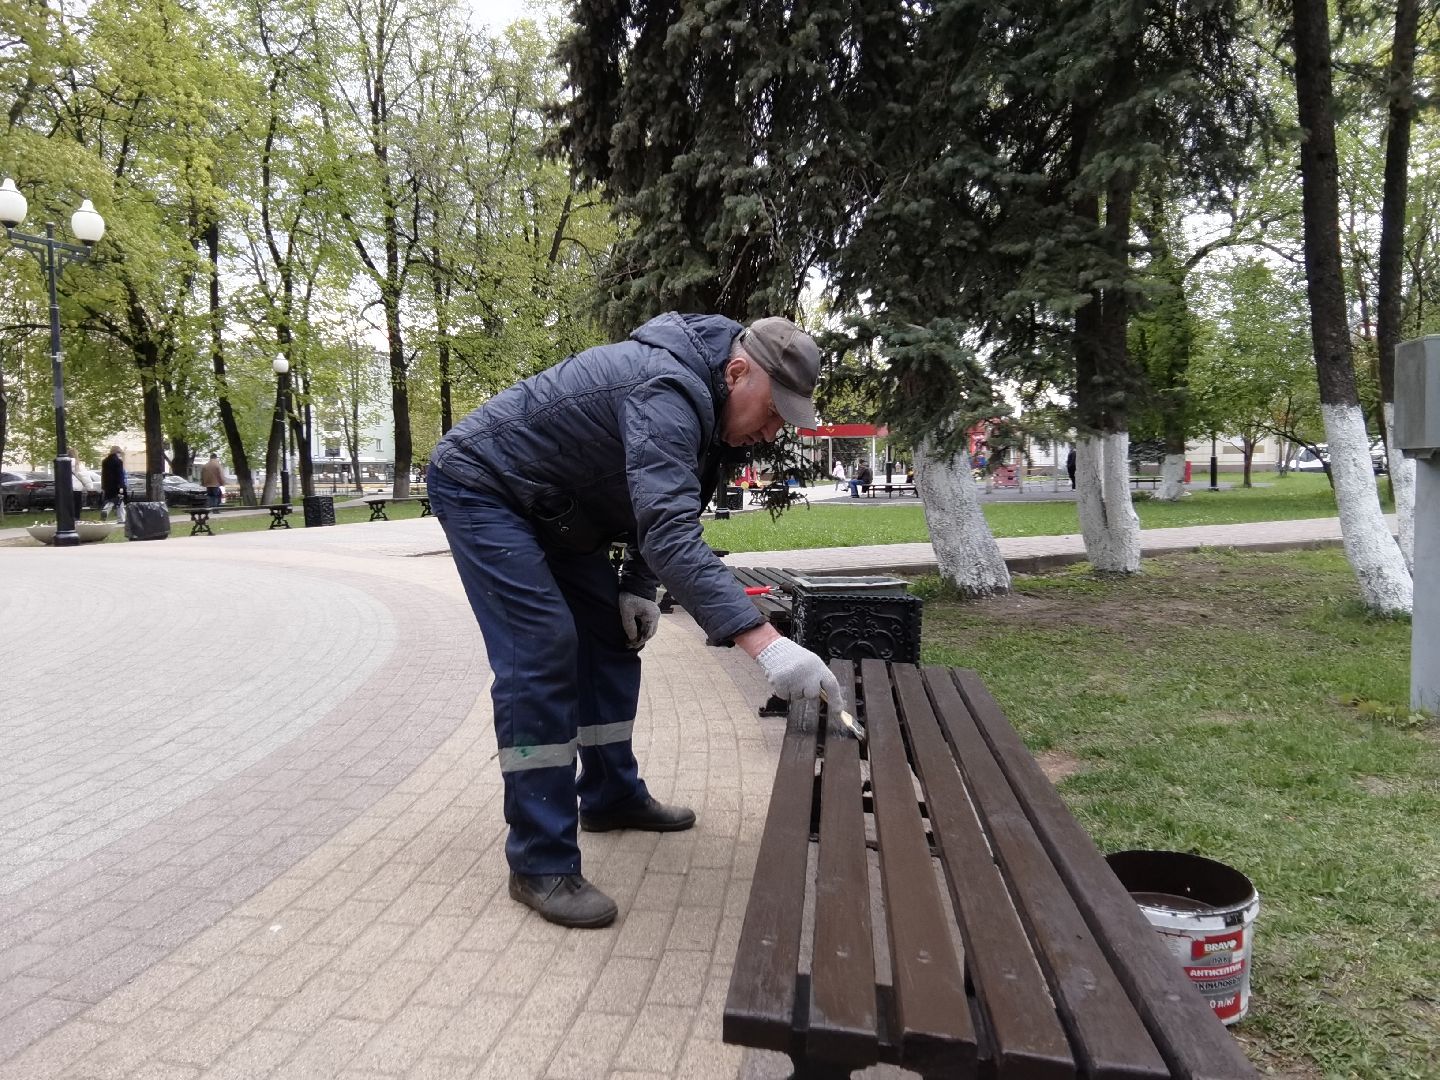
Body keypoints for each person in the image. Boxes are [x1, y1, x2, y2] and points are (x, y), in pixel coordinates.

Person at [427, 313, 845, 929]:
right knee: (542, 648)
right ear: (737, 372)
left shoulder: (710, 416)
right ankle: (539, 862)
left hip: (559, 511)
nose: (772, 430)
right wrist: (767, 644)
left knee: (610, 638)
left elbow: (658, 513)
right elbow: (672, 534)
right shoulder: (667, 390)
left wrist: (636, 589)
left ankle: (610, 795)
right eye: (774, 410)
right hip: (483, 486)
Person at [100, 446, 127, 523]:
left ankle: (105, 510)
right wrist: (121, 486)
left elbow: (103, 474)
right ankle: (121, 518)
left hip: (107, 485)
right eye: (120, 453)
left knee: (110, 501)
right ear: (117, 452)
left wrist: (103, 486)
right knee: (120, 501)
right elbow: (120, 475)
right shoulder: (118, 462)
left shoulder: (105, 461)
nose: (120, 454)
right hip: (117, 485)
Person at [65, 448, 92, 517]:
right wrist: (89, 487)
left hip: (67, 487)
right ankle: (76, 518)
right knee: (77, 504)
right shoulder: (78, 464)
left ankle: (68, 518)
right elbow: (84, 476)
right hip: (77, 487)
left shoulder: (64, 463)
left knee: (68, 505)